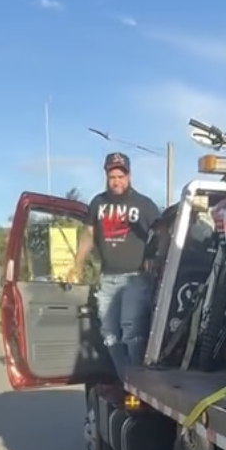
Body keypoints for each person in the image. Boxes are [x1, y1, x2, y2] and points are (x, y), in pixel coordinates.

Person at [71, 151, 161, 368]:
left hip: (135, 278)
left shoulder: (144, 204)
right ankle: (124, 376)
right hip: (107, 278)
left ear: (128, 176)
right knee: (108, 332)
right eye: (112, 177)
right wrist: (78, 264)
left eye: (121, 176)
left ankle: (137, 377)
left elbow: (162, 233)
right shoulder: (98, 202)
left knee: (130, 330)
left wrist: (152, 255)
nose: (116, 181)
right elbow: (89, 234)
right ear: (106, 176)